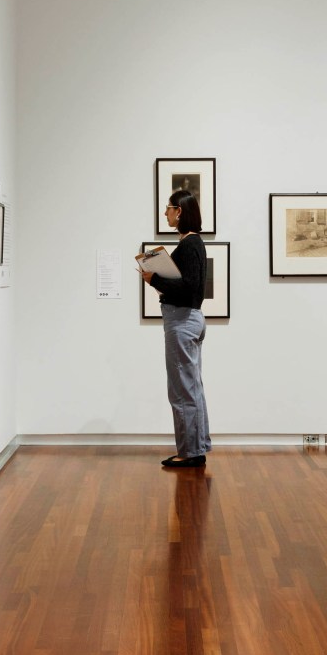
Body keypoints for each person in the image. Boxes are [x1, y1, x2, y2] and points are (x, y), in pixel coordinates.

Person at [139, 190, 211, 468]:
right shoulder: (193, 244)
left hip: (182, 320)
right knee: (191, 386)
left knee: (182, 389)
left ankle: (190, 452)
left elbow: (190, 288)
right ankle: (196, 447)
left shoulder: (191, 245)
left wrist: (154, 278)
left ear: (179, 211)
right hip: (187, 319)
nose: (165, 213)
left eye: (168, 208)